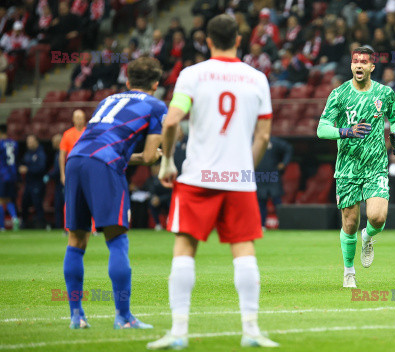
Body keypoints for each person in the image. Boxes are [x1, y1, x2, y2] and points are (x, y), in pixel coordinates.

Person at [147, 14, 278, 349]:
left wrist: (166, 162)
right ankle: (251, 330)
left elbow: (172, 120)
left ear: (207, 41)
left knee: (185, 248)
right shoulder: (257, 78)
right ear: (238, 40)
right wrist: (246, 168)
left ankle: (178, 332)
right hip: (239, 179)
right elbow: (263, 136)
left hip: (197, 177)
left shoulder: (192, 74)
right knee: (244, 250)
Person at [63, 57, 165, 329]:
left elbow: (102, 143)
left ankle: (76, 315)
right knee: (117, 238)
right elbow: (146, 157)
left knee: (76, 239)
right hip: (103, 166)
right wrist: (158, 157)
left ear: (128, 82)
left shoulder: (107, 100)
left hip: (75, 160)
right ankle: (123, 317)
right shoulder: (156, 105)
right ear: (156, 84)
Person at [316, 46, 395, 288]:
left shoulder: (385, 93)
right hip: (348, 167)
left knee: (376, 216)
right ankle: (348, 271)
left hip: (375, 164)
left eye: (364, 62)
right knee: (350, 222)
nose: (359, 65)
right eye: (355, 61)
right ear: (351, 66)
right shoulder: (339, 94)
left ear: (372, 67)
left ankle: (368, 238)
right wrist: (345, 132)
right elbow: (321, 129)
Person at [256, 136, 292, 228]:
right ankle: (261, 226)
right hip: (259, 176)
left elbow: (288, 148)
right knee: (261, 203)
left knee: (277, 202)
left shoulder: (274, 141)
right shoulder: (253, 141)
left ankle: (284, 225)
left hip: (272, 175)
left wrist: (284, 163)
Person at [20, 135, 47, 229]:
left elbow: (41, 168)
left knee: (37, 203)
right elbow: (23, 163)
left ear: (36, 142)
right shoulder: (27, 153)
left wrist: (28, 169)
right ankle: (24, 223)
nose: (29, 144)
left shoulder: (40, 153)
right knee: (24, 203)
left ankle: (41, 224)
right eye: (28, 142)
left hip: (37, 183)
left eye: (31, 141)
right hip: (28, 183)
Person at [0, 124, 19, 231]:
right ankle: (15, 217)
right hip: (12, 175)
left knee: (1, 200)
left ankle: (1, 226)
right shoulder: (14, 143)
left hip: (2, 175)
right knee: (9, 199)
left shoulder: (0, 143)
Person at [46, 134, 64, 229]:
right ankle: (59, 226)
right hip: (58, 184)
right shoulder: (58, 153)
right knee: (58, 206)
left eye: (54, 141)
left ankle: (65, 227)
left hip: (62, 184)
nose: (52, 144)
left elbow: (57, 170)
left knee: (62, 206)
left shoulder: (61, 153)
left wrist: (48, 176)